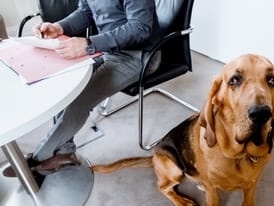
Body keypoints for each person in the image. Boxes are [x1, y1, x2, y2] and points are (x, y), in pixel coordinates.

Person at [4, 0, 161, 177]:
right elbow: (85, 11)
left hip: (137, 56)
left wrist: (88, 43)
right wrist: (59, 27)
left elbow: (140, 28)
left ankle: (39, 160)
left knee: (78, 101)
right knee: (63, 87)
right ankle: (65, 153)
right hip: (107, 49)